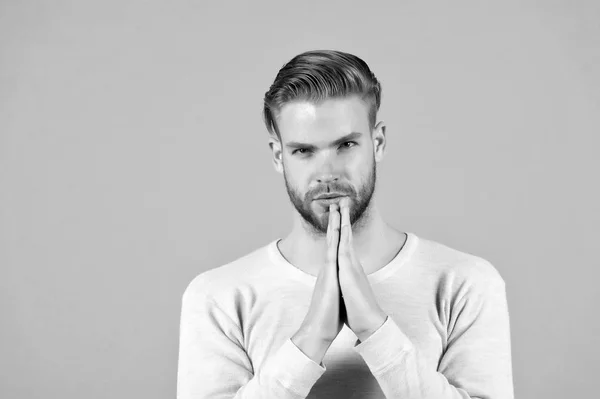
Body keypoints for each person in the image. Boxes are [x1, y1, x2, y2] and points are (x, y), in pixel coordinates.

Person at [176, 50, 514, 399]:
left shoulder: (465, 283)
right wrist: (311, 339)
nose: (327, 173)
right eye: (304, 151)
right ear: (279, 156)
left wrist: (375, 328)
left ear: (377, 142)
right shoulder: (218, 297)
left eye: (346, 144)